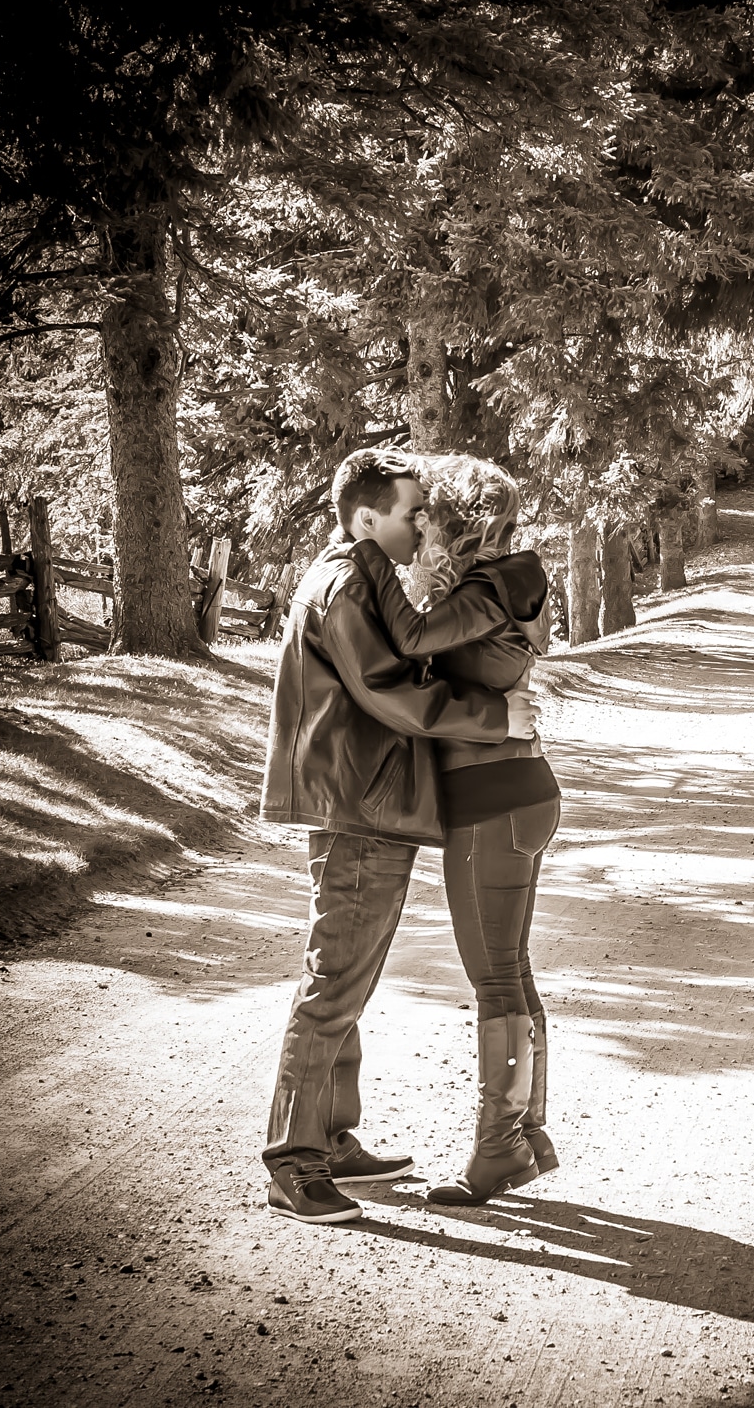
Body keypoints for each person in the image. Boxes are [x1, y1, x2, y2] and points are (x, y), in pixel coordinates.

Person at [259, 448, 540, 1225]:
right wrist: (496, 716)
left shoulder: (358, 578)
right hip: (359, 806)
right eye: (411, 512)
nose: (423, 523)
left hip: (366, 800)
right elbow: (389, 690)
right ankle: (293, 1162)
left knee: (348, 977)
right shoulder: (348, 583)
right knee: (334, 984)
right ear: (364, 518)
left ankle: (333, 1135)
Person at [346, 453, 561, 1206]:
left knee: (496, 976)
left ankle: (497, 1149)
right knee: (514, 970)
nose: (422, 525)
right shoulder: (498, 582)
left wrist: (372, 555)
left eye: (429, 513)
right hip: (514, 789)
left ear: (456, 518)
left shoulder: (489, 584)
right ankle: (525, 1134)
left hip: (491, 798)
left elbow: (409, 643)